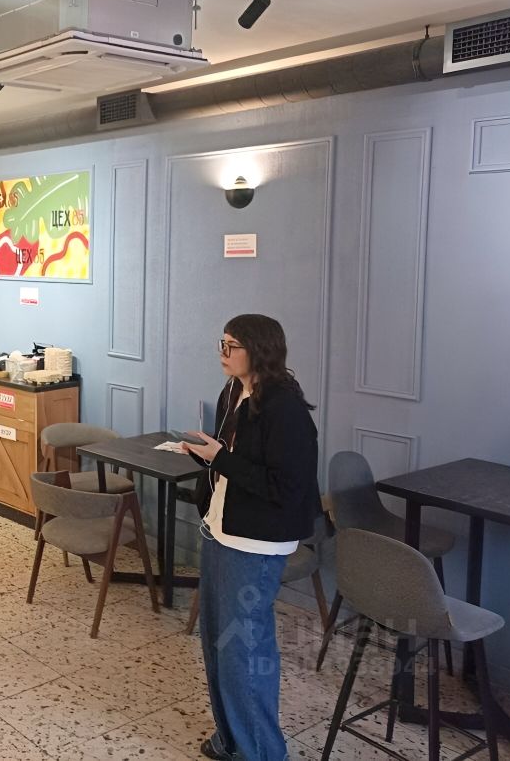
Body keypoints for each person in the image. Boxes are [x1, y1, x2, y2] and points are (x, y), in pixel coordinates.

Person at [180, 314, 320, 761]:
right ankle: (232, 740)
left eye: (232, 346)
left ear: (259, 350)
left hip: (256, 543)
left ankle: (262, 752)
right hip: (222, 527)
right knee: (216, 643)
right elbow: (234, 461)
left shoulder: (286, 409)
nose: (223, 354)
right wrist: (207, 456)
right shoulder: (233, 391)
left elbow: (285, 487)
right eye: (221, 343)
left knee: (244, 650)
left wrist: (221, 458)